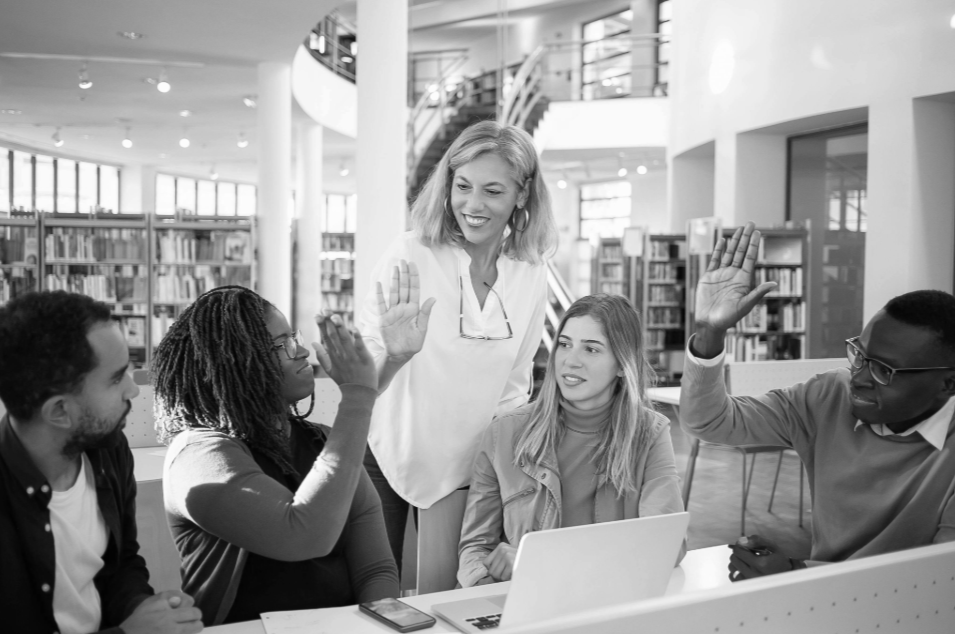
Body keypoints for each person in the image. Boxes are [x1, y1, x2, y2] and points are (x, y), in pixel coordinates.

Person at [681, 222, 955, 580]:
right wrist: (709, 333)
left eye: (884, 371)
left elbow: (938, 581)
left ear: (947, 383)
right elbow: (710, 421)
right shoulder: (829, 396)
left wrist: (798, 573)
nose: (859, 377)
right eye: (859, 355)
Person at [358, 120, 559, 569]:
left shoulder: (530, 272)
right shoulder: (409, 254)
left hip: (472, 470)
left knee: (446, 598)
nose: (472, 204)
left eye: (493, 191)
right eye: (462, 186)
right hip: (386, 456)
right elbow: (362, 386)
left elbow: (514, 388)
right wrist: (394, 355)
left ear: (521, 195)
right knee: (375, 601)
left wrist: (502, 479)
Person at [153, 286, 398, 625]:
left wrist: (377, 626)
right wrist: (358, 397)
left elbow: (376, 570)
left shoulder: (322, 439)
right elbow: (303, 535)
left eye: (293, 337)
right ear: (235, 361)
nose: (300, 351)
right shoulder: (198, 456)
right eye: (280, 344)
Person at [0, 291, 203, 634]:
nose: (133, 391)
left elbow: (119, 565)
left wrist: (149, 610)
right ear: (60, 411)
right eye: (116, 377)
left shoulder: (107, 449)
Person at [457, 294, 686, 587]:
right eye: (564, 345)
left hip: (606, 599)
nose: (570, 361)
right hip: (524, 602)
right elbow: (475, 547)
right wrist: (486, 587)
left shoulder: (649, 433)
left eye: (591, 349)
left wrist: (540, 564)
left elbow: (666, 546)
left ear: (621, 364)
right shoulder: (503, 433)